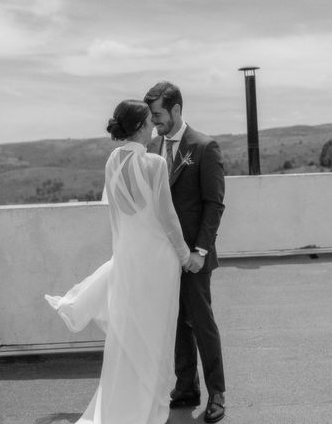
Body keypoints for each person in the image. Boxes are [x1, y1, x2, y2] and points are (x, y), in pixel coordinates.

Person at [45, 99, 193, 424]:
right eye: (149, 122)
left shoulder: (112, 161)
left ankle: (125, 406)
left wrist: (122, 255)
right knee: (158, 334)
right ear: (140, 127)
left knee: (129, 336)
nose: (154, 126)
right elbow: (168, 219)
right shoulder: (155, 164)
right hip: (158, 262)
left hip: (128, 259)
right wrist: (185, 255)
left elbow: (116, 217)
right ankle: (152, 408)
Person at [144, 81, 227, 423]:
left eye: (159, 114)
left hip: (195, 256)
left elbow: (214, 204)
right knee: (177, 323)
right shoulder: (152, 146)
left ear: (176, 110)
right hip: (165, 256)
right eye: (151, 115)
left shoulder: (205, 147)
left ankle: (217, 393)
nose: (153, 121)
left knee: (201, 322)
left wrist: (200, 251)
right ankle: (186, 387)